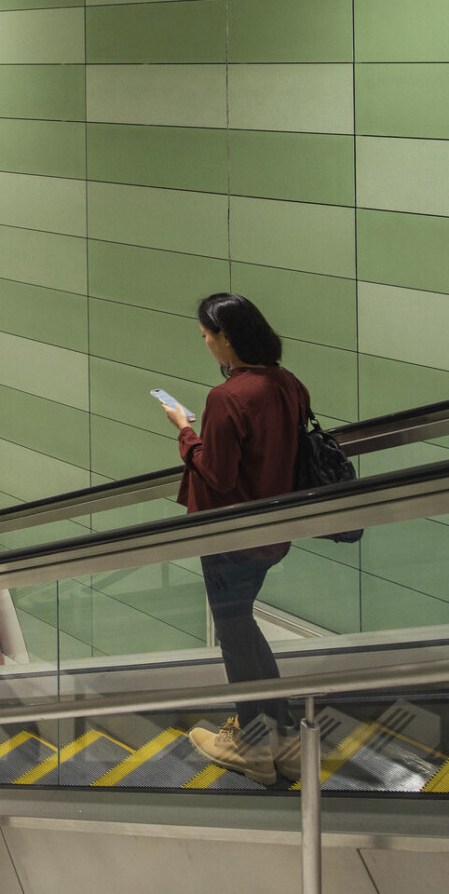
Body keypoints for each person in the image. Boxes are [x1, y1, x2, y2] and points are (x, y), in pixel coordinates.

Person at [161, 292, 308, 786]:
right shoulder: (287, 384)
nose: (206, 345)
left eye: (206, 337)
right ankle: (283, 737)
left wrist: (185, 431)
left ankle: (251, 745)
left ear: (226, 338)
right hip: (274, 529)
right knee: (242, 626)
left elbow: (218, 475)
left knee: (233, 632)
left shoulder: (226, 399)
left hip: (230, 535)